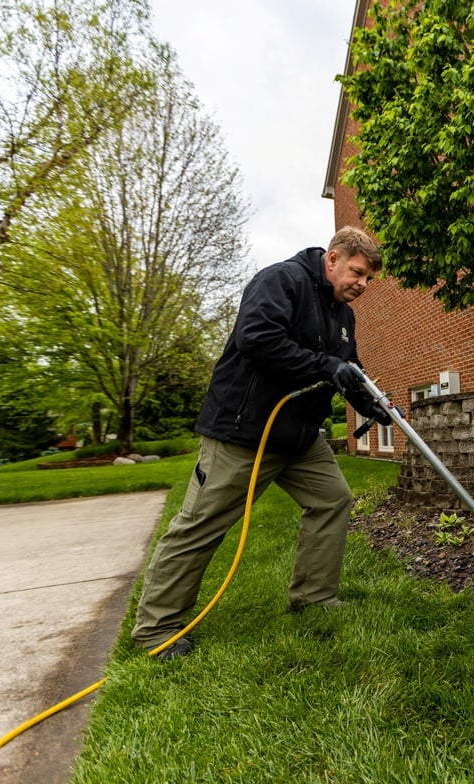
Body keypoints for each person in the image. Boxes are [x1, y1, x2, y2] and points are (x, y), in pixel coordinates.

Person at [131, 225, 392, 659]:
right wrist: (327, 366)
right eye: (358, 273)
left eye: (368, 279)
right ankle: (157, 630)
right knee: (201, 525)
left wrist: (372, 403)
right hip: (244, 432)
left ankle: (314, 598)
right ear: (332, 260)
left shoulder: (342, 313)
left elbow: (348, 368)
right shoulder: (281, 281)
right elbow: (258, 338)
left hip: (301, 438)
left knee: (332, 499)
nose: (362, 285)